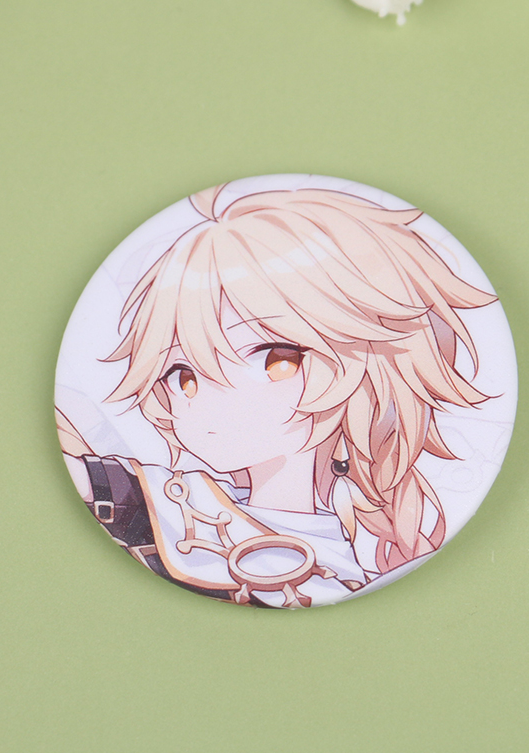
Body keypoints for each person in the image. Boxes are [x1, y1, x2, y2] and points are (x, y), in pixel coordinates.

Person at [57, 183, 497, 608]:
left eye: (274, 360)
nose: (210, 400)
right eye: (183, 375)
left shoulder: (345, 570)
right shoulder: (156, 501)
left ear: (370, 364)